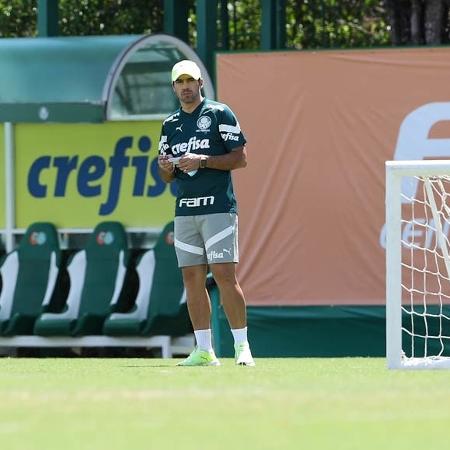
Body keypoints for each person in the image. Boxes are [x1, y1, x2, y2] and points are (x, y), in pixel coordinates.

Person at [158, 59, 255, 367]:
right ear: (173, 87)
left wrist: (202, 160)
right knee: (191, 278)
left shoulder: (219, 112)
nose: (186, 86)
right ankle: (204, 350)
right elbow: (167, 177)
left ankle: (242, 347)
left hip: (218, 207)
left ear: (200, 83)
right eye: (180, 82)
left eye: (191, 81)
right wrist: (165, 168)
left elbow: (240, 159)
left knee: (225, 275)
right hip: (185, 211)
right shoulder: (169, 124)